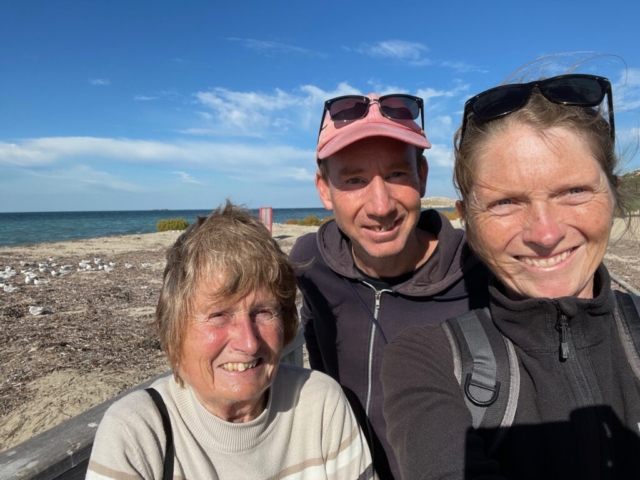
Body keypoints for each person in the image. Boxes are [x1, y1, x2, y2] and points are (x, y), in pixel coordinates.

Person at [382, 73, 640, 479]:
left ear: (612, 192)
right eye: (505, 202)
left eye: (573, 191)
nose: (545, 233)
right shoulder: (429, 360)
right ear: (466, 217)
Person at [87, 202, 376, 479]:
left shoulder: (319, 404)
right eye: (219, 315)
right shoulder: (139, 433)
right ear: (172, 328)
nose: (248, 343)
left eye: (263, 312)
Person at [290, 93, 490, 478]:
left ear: (423, 176)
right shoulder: (310, 262)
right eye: (354, 180)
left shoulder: (480, 271)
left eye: (398, 174)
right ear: (324, 189)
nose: (380, 206)